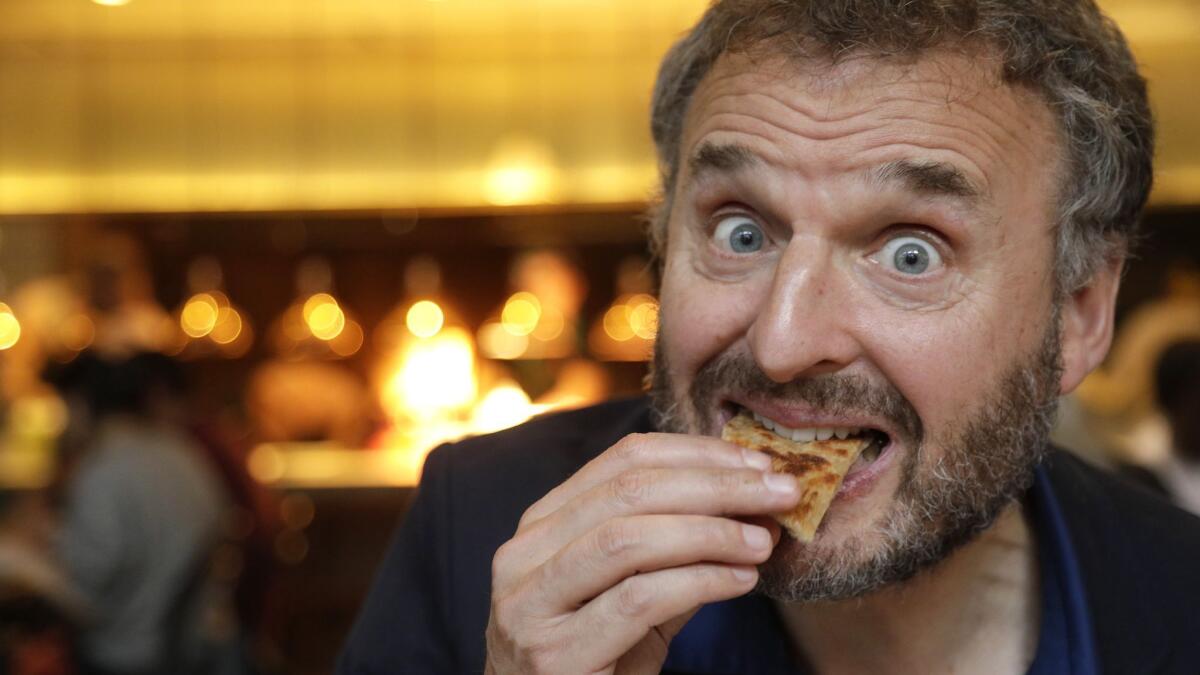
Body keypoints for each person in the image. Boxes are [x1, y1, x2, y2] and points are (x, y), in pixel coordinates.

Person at [339, 1, 1200, 673]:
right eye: (741, 232)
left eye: (911, 251)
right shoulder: (480, 526)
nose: (784, 342)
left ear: (1080, 314)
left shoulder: (1180, 596)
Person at [45, 352, 234, 675]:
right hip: (189, 645)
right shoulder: (183, 453)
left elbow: (89, 583)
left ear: (81, 405)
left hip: (126, 650)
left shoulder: (103, 470)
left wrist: (39, 555)